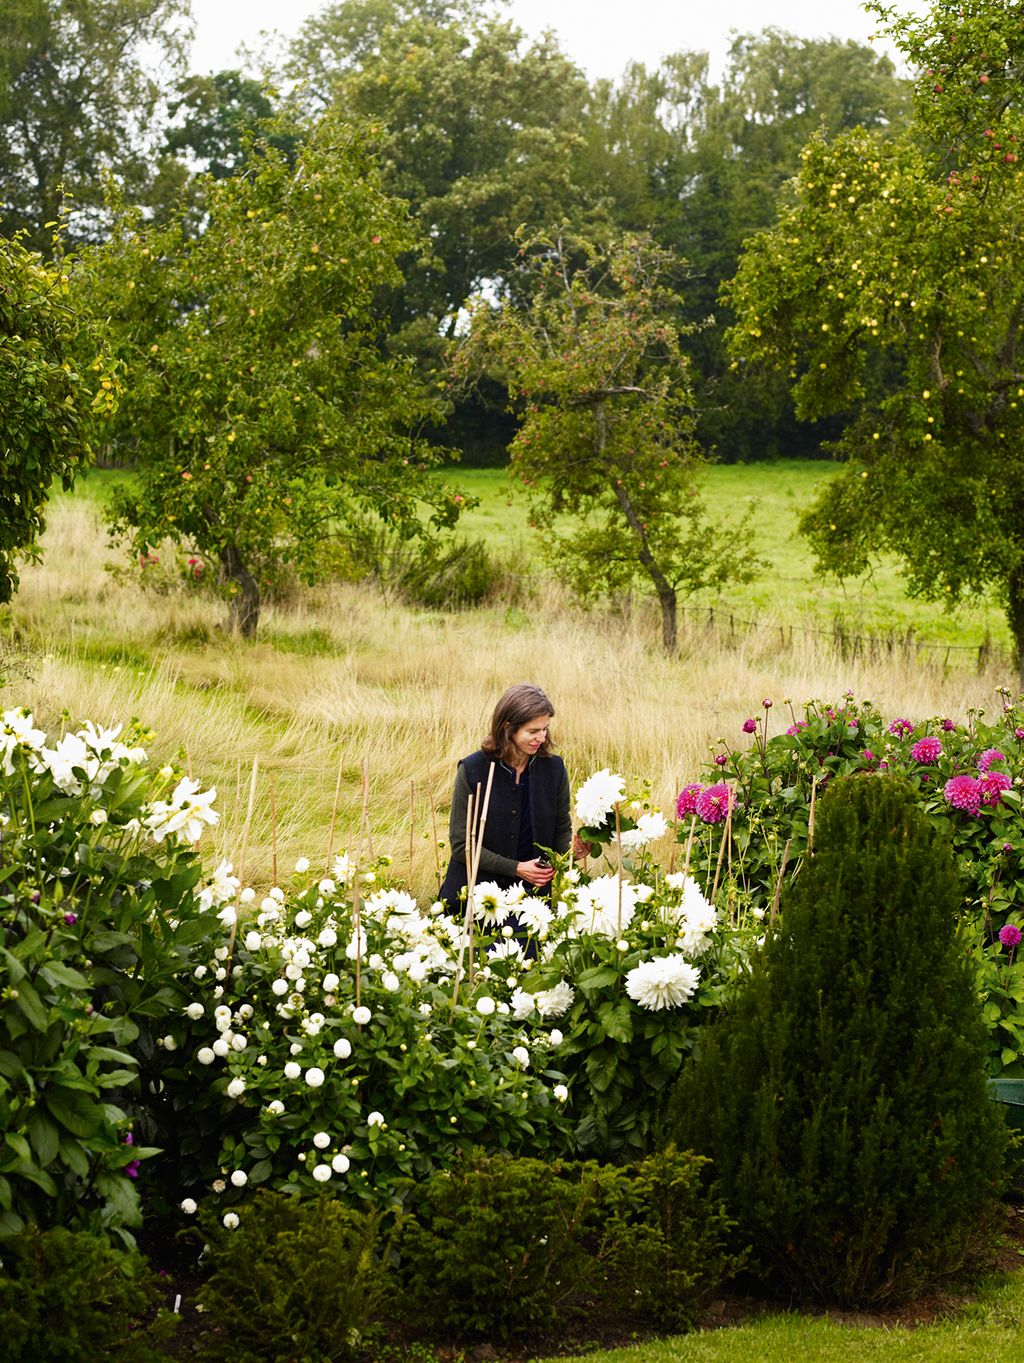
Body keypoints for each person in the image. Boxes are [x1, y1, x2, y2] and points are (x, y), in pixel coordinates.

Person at [438, 682, 572, 910]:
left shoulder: (554, 769)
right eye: (533, 731)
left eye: (545, 729)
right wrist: (517, 868)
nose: (541, 737)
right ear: (508, 728)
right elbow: (462, 846)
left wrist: (574, 850)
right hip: (471, 899)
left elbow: (560, 830)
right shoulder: (472, 770)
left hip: (530, 904)